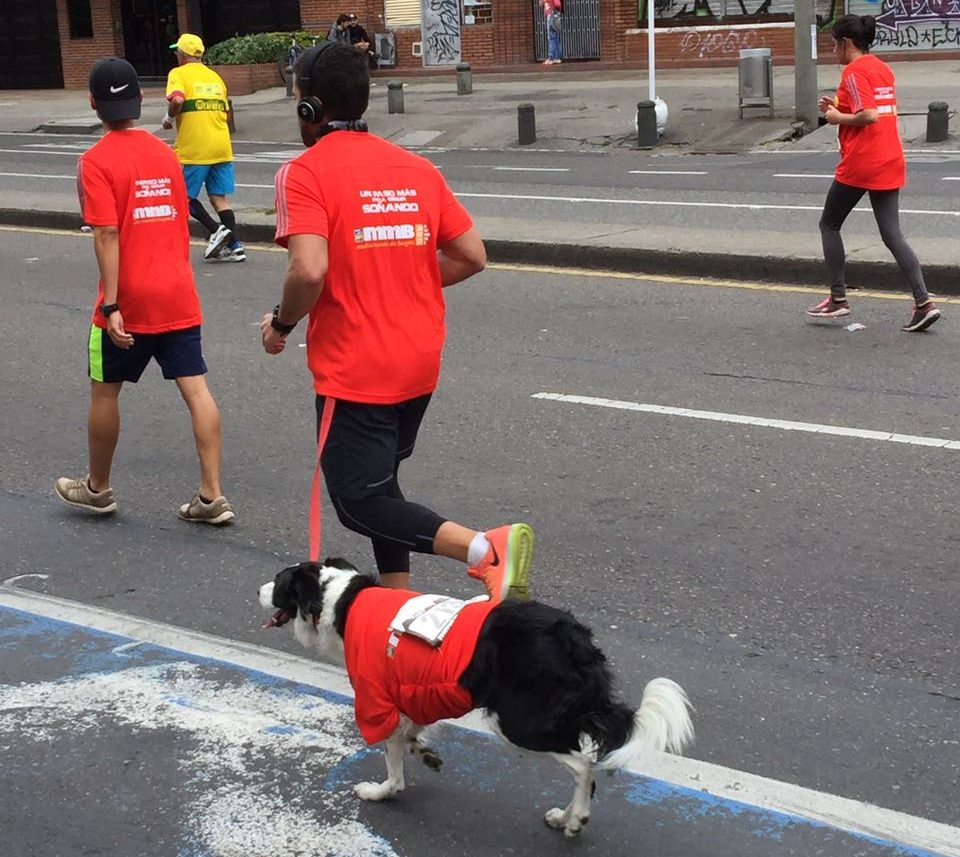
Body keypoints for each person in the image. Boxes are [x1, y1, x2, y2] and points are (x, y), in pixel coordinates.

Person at [258, 41, 534, 601]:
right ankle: (397, 601)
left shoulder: (303, 174)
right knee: (385, 484)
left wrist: (282, 326)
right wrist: (401, 281)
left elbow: (308, 270)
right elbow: (471, 256)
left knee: (359, 501)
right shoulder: (416, 169)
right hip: (418, 363)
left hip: (358, 368)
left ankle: (485, 550)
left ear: (309, 109)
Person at [56, 57, 234, 525]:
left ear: (93, 102)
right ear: (140, 99)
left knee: (105, 392)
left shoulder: (94, 161)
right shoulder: (166, 155)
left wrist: (112, 302)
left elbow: (107, 233)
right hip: (177, 291)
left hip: (130, 298)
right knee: (196, 390)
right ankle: (212, 495)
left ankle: (97, 488)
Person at [807, 14, 940, 332]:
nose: (833, 52)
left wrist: (837, 117)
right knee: (892, 234)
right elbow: (872, 104)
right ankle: (924, 303)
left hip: (861, 162)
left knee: (829, 224)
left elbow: (869, 115)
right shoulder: (883, 68)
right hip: (890, 158)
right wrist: (838, 107)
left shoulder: (853, 70)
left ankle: (838, 299)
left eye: (834, 44)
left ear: (846, 43)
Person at [162, 33, 245, 263]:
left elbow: (177, 100)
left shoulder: (178, 73)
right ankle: (236, 247)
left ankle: (215, 230)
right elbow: (225, 112)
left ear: (183, 54)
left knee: (183, 197)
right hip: (221, 144)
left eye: (177, 51)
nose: (175, 55)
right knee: (219, 198)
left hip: (195, 147)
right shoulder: (215, 77)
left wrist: (168, 118)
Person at [543, 0, 562, 66]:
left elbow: (557, 3)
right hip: (554, 15)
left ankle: (551, 58)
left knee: (551, 38)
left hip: (551, 15)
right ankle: (557, 58)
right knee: (555, 37)